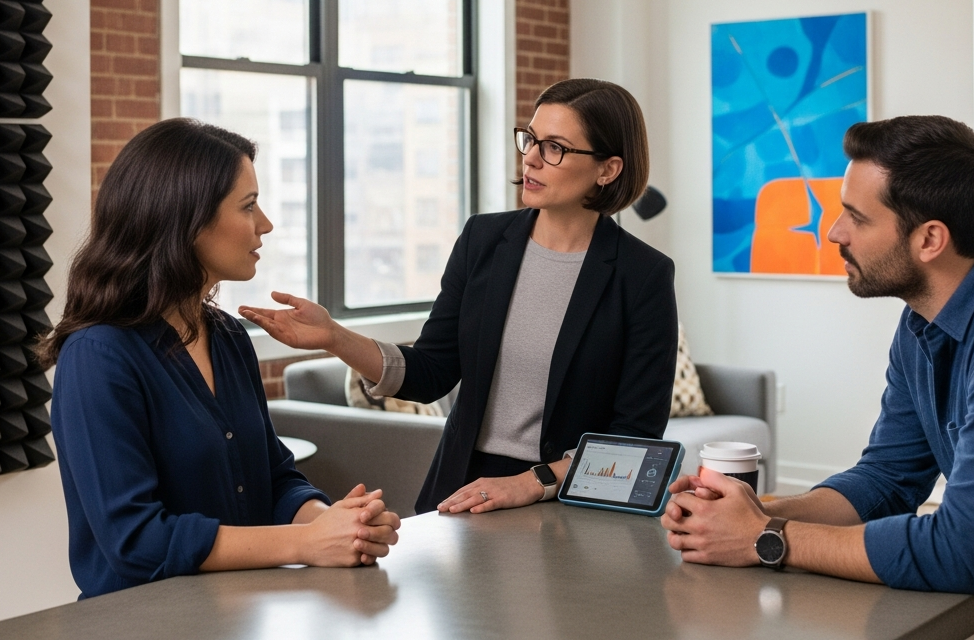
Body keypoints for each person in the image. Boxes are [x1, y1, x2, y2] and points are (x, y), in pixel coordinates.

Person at [661, 115, 974, 639]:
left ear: (930, 239)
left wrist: (766, 537)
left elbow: (960, 553)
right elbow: (886, 480)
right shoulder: (924, 321)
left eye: (856, 217)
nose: (833, 232)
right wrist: (753, 514)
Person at [242, 79, 679, 515]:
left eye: (555, 147)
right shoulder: (483, 240)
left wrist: (534, 482)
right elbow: (429, 372)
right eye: (530, 139)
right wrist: (333, 337)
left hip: (572, 502)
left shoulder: (644, 276)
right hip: (463, 488)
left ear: (608, 169)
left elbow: (634, 439)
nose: (530, 157)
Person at [41, 119, 400, 599]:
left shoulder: (229, 336)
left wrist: (336, 525)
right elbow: (136, 541)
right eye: (248, 206)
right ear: (186, 220)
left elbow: (273, 479)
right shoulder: (98, 357)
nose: (265, 224)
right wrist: (307, 542)